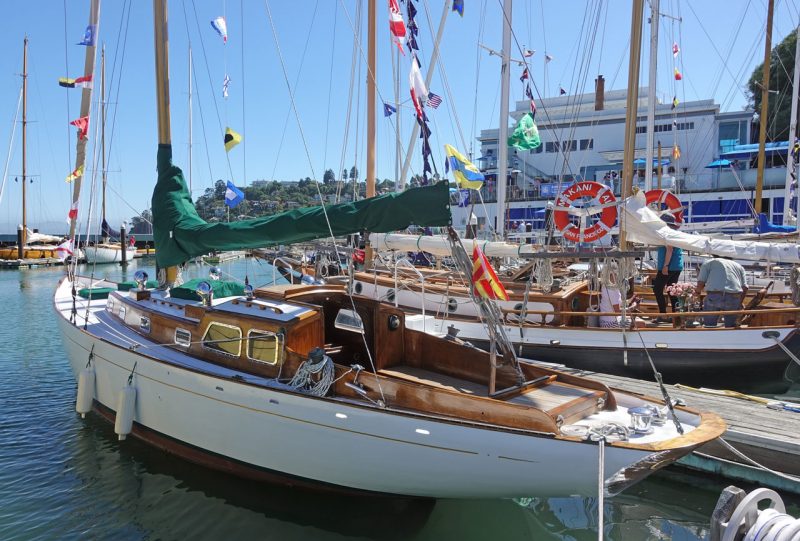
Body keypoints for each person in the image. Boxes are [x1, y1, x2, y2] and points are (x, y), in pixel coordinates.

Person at [695, 256, 748, 328]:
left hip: (714, 296)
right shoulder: (739, 266)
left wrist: (697, 293)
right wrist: (740, 302)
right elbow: (745, 287)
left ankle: (709, 336)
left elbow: (701, 283)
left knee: (709, 326)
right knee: (731, 328)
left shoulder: (709, 263)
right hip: (733, 297)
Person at [652, 215, 683, 321]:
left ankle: (663, 315)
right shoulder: (674, 233)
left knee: (657, 289)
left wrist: (665, 266)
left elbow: (669, 249)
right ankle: (676, 315)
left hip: (669, 267)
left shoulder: (667, 234)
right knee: (672, 291)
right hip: (676, 266)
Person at [598, 264, 645, 328]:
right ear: (612, 275)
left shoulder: (607, 287)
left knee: (638, 321)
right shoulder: (612, 291)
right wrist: (633, 307)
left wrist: (631, 299)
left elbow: (618, 303)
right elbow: (617, 312)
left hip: (606, 320)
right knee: (642, 324)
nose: (618, 276)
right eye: (617, 274)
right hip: (610, 323)